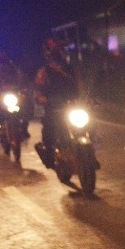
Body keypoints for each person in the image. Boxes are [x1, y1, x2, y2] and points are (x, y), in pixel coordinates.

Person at [34, 37, 81, 165]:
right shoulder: (44, 71)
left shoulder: (70, 69)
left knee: (87, 124)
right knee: (49, 127)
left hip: (71, 105)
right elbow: (38, 88)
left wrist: (86, 98)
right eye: (56, 52)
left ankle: (89, 153)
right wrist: (40, 97)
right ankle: (49, 155)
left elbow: (79, 86)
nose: (60, 54)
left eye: (61, 51)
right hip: (53, 107)